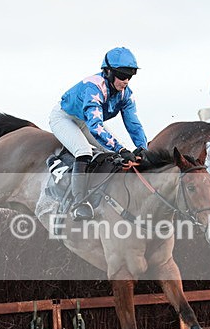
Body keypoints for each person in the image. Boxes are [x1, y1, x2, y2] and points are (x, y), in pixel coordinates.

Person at [50, 47, 148, 220]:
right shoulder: (94, 88)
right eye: (122, 75)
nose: (126, 81)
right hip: (64, 118)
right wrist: (121, 149)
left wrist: (143, 148)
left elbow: (133, 124)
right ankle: (78, 204)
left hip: (84, 120)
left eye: (130, 76)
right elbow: (95, 127)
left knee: (114, 154)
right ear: (108, 72)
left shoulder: (126, 95)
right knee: (83, 151)